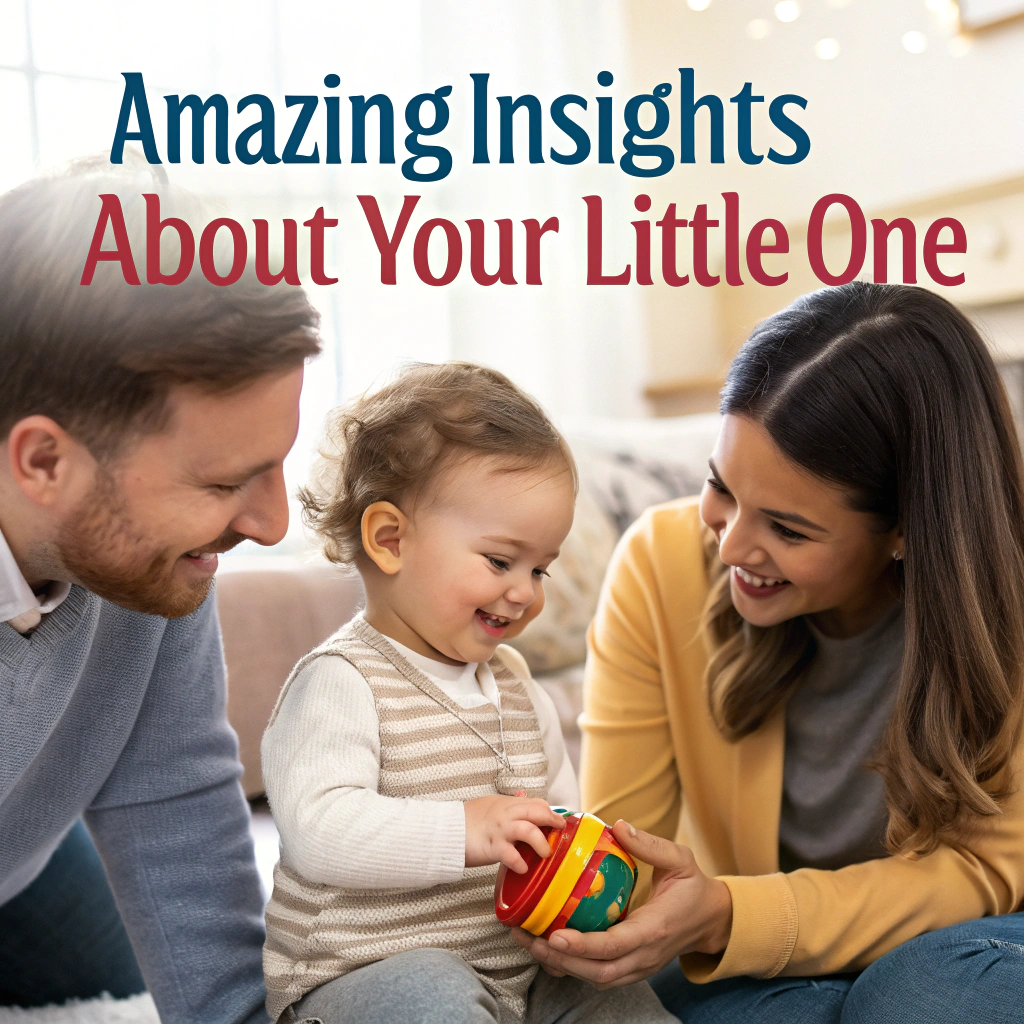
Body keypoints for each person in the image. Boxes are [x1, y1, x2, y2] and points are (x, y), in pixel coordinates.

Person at [511, 282, 1024, 1023]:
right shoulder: (660, 564)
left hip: (969, 939)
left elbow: (984, 872)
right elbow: (630, 854)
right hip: (759, 949)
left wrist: (729, 915)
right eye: (720, 487)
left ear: (905, 528)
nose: (733, 545)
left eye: (787, 528)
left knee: (915, 997)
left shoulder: (1002, 605)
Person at [0, 160, 321, 1023]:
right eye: (225, 484)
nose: (272, 522)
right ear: (43, 462)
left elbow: (172, 788)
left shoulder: (150, 571)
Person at [260, 362, 676, 1024]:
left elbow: (561, 816)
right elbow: (319, 830)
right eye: (500, 561)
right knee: (432, 994)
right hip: (360, 977)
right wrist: (465, 828)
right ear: (390, 541)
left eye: (540, 567)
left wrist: (589, 876)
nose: (525, 591)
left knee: (615, 997)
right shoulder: (341, 681)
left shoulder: (516, 686)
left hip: (512, 965)